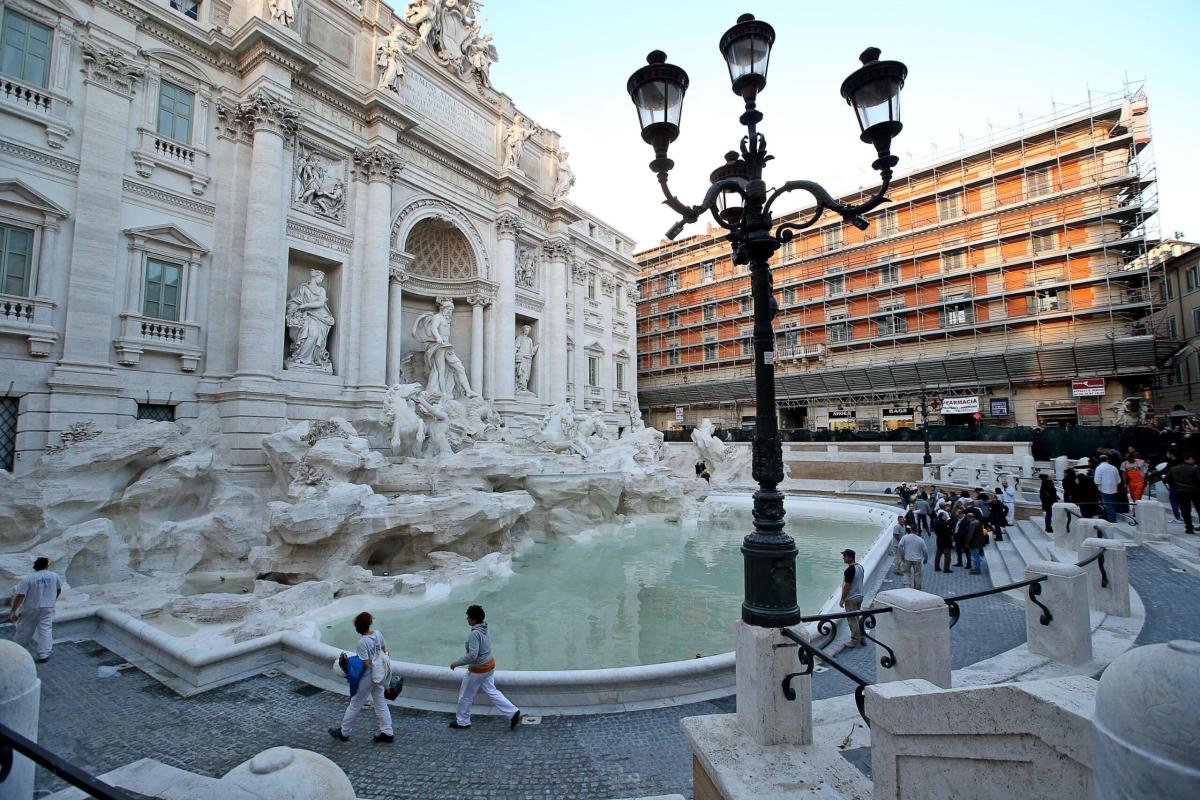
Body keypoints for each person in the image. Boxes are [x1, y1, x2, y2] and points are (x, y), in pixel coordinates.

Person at [449, 605, 521, 731]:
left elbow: (472, 655)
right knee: (491, 691)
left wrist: (457, 663)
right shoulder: (485, 628)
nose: (467, 619)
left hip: (478, 670)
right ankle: (512, 712)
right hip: (489, 665)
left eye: (469, 617)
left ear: (474, 619)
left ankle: (463, 721)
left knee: (465, 695)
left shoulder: (474, 634)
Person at [329, 612, 394, 743]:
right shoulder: (378, 634)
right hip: (379, 674)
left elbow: (365, 663)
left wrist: (349, 664)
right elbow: (384, 649)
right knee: (380, 701)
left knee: (355, 703)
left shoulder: (362, 642)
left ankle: (344, 732)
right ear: (370, 623)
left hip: (369, 676)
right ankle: (387, 731)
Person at [10, 557, 61, 663]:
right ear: (46, 565)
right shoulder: (54, 576)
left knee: (24, 629)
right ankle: (43, 654)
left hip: (31, 607)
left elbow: (20, 595)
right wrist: (52, 600)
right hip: (48, 607)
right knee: (45, 630)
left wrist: (13, 610)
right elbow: (58, 589)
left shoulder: (29, 578)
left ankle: (16, 649)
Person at [1165, 454, 1200, 535]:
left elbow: (1167, 479)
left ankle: (1189, 528)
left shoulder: (1173, 469)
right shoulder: (1194, 469)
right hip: (1195, 491)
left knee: (1185, 510)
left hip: (1181, 491)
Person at [839, 549, 866, 648]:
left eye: (845, 556)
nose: (843, 557)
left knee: (852, 620)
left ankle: (855, 640)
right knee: (857, 617)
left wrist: (842, 599)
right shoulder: (860, 567)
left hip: (851, 598)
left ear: (850, 557)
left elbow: (847, 586)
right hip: (859, 596)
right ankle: (862, 637)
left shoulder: (849, 570)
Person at [1094, 455, 1121, 522]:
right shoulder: (1113, 467)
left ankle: (1111, 519)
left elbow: (1097, 480)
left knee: (1108, 504)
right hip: (1114, 488)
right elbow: (1118, 480)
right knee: (1112, 503)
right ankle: (1110, 517)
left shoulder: (1099, 468)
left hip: (1104, 488)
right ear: (1107, 460)